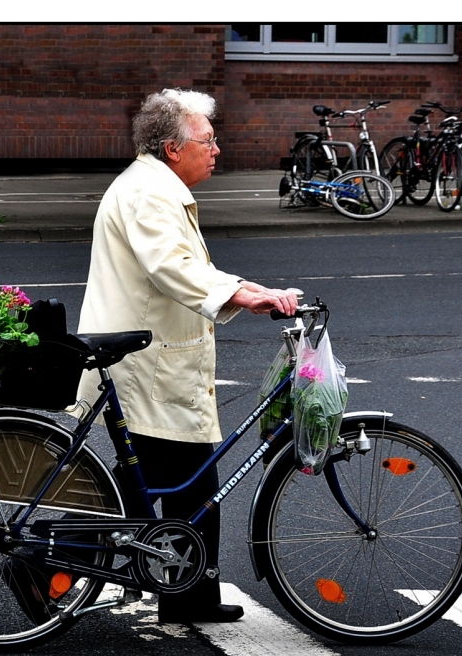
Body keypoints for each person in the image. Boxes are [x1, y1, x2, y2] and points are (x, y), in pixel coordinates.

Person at [75, 88, 299, 624]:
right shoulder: (151, 193)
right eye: (208, 139)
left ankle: (188, 594)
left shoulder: (155, 184)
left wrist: (248, 286)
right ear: (174, 147)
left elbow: (183, 266)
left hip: (152, 359)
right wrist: (244, 295)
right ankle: (41, 565)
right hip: (149, 367)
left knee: (181, 481)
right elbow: (172, 266)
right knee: (168, 481)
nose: (217, 149)